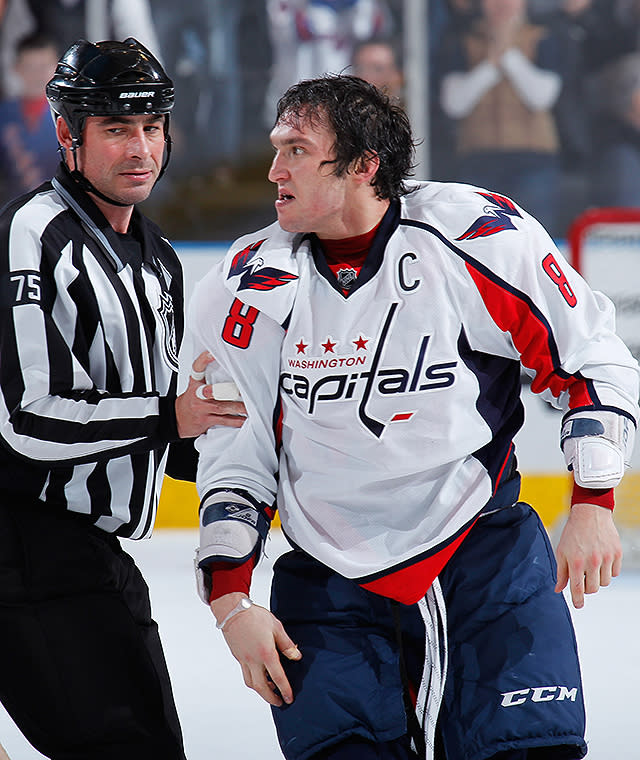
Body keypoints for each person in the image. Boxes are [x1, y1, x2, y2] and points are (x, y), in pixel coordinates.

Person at [187, 74, 639, 759]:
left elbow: (591, 359)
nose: (274, 169)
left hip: (482, 559)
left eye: (298, 151)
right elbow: (234, 452)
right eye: (277, 147)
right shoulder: (245, 285)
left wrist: (594, 501)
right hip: (328, 587)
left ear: (365, 164)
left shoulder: (477, 236)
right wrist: (231, 605)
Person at [0, 38, 245, 760]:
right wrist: (171, 415)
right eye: (115, 129)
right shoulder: (32, 233)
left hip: (86, 551)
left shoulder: (159, 259)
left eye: (151, 127)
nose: (140, 148)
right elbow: (25, 419)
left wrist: (257, 457)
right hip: (28, 543)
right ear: (66, 135)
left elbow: (167, 441)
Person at [438, 0, 567, 235]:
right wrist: (489, 64)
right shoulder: (461, 41)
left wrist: (507, 54)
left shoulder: (543, 38)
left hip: (533, 160)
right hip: (478, 158)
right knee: (477, 239)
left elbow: (541, 97)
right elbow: (454, 103)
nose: (502, 4)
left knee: (534, 237)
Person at [0, 32, 59, 206]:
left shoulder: (70, 116)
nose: (38, 75)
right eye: (30, 67)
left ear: (57, 66)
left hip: (61, 212)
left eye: (44, 66)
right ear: (16, 68)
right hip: (12, 210)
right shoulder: (4, 114)